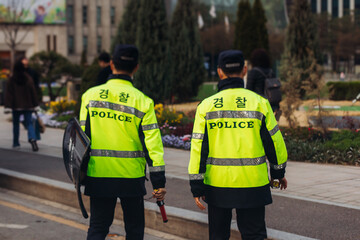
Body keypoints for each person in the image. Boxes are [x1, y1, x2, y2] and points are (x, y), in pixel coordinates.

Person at [188, 50, 288, 240]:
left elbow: (198, 148)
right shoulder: (260, 103)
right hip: (253, 183)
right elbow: (274, 142)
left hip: (217, 184)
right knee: (254, 235)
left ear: (219, 72)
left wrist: (196, 185)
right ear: (244, 70)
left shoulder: (206, 106)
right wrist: (278, 173)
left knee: (218, 236)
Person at [79, 44, 166, 240]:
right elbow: (153, 146)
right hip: (131, 177)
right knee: (134, 229)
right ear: (136, 67)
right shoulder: (143, 101)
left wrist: (80, 174)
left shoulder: (90, 96)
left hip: (99, 173)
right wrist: (159, 182)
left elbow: (82, 138)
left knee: (98, 227)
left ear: (111, 65)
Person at [4, 60, 39, 151]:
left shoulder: (12, 79)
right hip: (28, 105)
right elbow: (33, 92)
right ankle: (32, 139)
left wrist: (7, 106)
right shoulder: (28, 78)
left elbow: (9, 94)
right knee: (29, 123)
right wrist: (36, 104)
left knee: (16, 124)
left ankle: (16, 143)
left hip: (16, 106)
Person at [246, 48, 281, 120]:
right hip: (270, 105)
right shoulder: (271, 72)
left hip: (258, 105)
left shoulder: (253, 72)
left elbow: (248, 91)